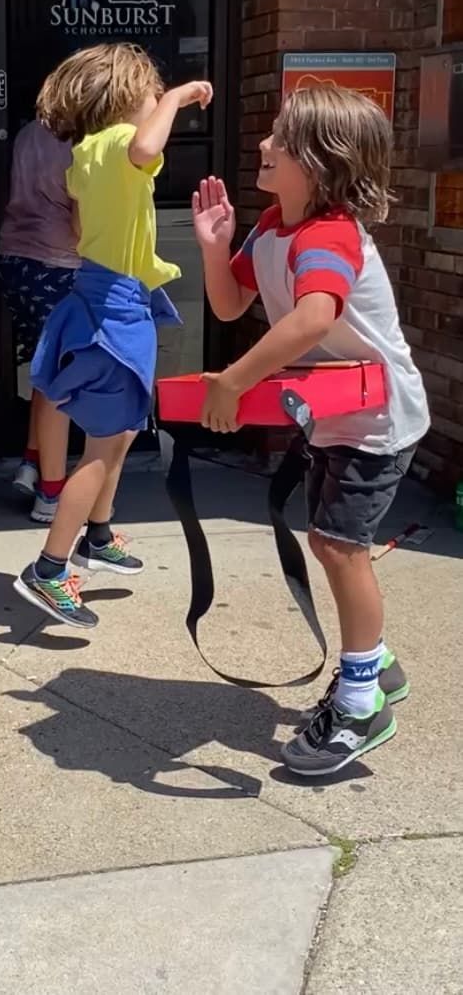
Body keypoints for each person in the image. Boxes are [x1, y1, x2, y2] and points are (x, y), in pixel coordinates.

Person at [193, 85, 429, 777]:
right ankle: (377, 662)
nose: (264, 145)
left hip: (377, 419)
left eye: (281, 139)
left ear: (322, 163)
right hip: (335, 415)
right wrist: (215, 247)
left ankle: (360, 703)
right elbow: (231, 302)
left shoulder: (328, 233)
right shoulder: (273, 224)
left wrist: (233, 380)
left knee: (337, 546)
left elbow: (312, 318)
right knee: (332, 544)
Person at [14, 42, 212, 627]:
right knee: (103, 448)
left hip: (109, 297)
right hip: (114, 310)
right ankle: (49, 568)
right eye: (154, 92)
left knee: (122, 431)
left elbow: (82, 228)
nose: (159, 99)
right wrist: (182, 96)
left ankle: (97, 536)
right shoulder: (124, 144)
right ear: (127, 97)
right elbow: (148, 146)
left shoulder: (87, 154)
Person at [0, 118, 80, 524]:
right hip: (60, 261)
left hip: (17, 257)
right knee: (60, 381)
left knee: (45, 370)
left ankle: (33, 463)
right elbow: (83, 223)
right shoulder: (84, 140)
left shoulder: (29, 132)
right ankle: (51, 493)